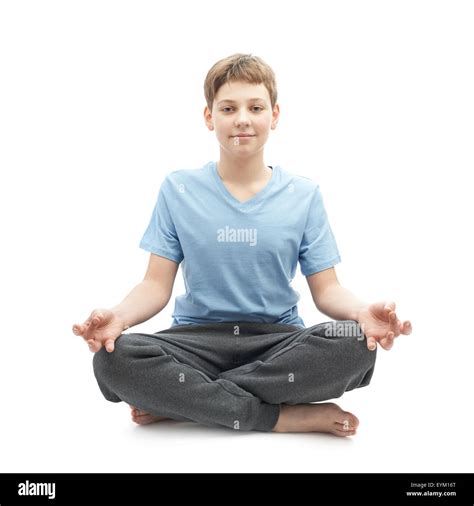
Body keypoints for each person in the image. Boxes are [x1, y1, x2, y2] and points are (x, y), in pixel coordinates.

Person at [72, 53, 412, 436]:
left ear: (275, 115)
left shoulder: (304, 195)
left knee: (353, 342)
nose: (243, 119)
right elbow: (154, 285)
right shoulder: (177, 190)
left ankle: (189, 402)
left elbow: (327, 289)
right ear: (209, 117)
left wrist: (363, 312)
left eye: (255, 107)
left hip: (277, 342)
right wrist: (119, 317)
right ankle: (279, 416)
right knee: (115, 359)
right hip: (196, 343)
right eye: (229, 108)